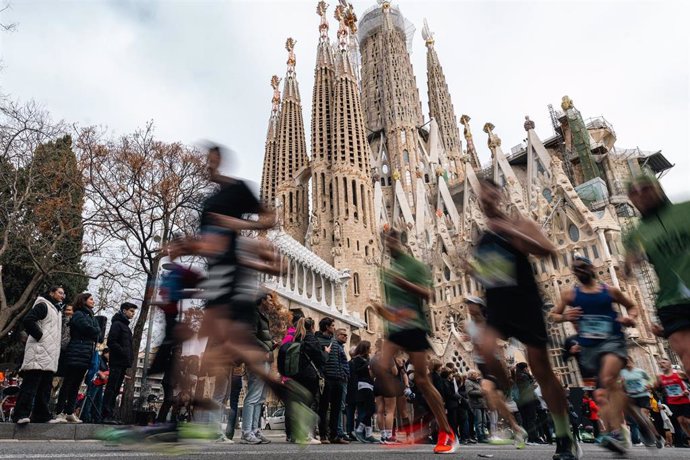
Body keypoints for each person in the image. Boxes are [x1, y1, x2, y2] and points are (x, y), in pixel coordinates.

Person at [468, 178, 580, 460]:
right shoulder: (481, 239)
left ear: (500, 195)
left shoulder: (520, 224)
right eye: (481, 195)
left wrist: (511, 233)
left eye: (490, 192)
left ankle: (565, 436)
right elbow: (489, 275)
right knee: (484, 347)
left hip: (525, 302)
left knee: (541, 369)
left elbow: (548, 250)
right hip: (497, 306)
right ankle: (518, 394)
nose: (486, 198)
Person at [372, 228, 458, 454]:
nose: (389, 244)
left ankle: (445, 430)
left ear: (400, 242)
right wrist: (383, 312)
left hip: (415, 327)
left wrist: (404, 283)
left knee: (422, 380)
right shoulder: (387, 272)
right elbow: (393, 308)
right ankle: (413, 420)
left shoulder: (414, 266)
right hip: (395, 329)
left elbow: (427, 294)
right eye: (386, 241)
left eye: (392, 240)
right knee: (381, 368)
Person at [624, 173, 690, 373]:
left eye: (645, 188)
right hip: (672, 302)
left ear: (658, 188)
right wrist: (629, 264)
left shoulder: (685, 210)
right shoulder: (634, 235)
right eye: (633, 193)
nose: (640, 195)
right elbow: (626, 272)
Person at [463, 295, 527, 447]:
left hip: (493, 363)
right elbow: (473, 343)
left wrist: (506, 371)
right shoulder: (467, 325)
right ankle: (516, 428)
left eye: (472, 304)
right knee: (497, 399)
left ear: (480, 307)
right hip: (481, 365)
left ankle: (498, 429)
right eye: (468, 305)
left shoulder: (490, 324)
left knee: (488, 391)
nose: (470, 307)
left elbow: (499, 347)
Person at [13, 286, 65, 424]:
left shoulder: (57, 310)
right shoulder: (43, 305)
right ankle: (20, 414)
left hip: (50, 354)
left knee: (45, 387)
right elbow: (28, 320)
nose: (62, 295)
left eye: (63, 293)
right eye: (60, 292)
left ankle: (41, 415)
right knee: (30, 385)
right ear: (51, 292)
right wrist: (39, 335)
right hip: (39, 351)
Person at [54, 292, 101, 423]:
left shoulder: (90, 315)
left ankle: (70, 412)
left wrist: (95, 330)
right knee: (68, 383)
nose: (93, 301)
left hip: (85, 354)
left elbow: (98, 331)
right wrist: (95, 330)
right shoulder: (79, 314)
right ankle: (60, 412)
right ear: (84, 300)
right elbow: (90, 329)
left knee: (76, 385)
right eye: (91, 299)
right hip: (75, 352)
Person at [239, 295, 275, 444]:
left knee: (260, 398)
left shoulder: (262, 316)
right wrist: (266, 347)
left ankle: (255, 430)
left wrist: (271, 344)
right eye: (269, 300)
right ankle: (246, 432)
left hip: (264, 359)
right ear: (262, 300)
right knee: (253, 396)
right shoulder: (253, 314)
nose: (271, 303)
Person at [292, 317, 326, 444]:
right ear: (312, 327)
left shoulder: (297, 337)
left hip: (297, 375)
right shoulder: (311, 338)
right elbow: (321, 359)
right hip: (310, 375)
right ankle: (305, 435)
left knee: (300, 404)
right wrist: (326, 353)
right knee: (309, 404)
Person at [315, 317, 349, 444]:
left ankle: (334, 436)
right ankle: (323, 435)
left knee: (336, 408)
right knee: (323, 408)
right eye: (333, 326)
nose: (334, 328)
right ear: (327, 327)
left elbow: (341, 360)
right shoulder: (317, 340)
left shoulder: (335, 342)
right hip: (326, 378)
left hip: (338, 379)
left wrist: (344, 375)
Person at [102, 302, 137, 424]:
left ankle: (111, 414)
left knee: (116, 389)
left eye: (134, 311)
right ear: (124, 310)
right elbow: (111, 342)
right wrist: (123, 353)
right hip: (117, 361)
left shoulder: (126, 327)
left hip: (123, 362)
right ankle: (105, 415)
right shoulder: (117, 324)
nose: (133, 314)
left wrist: (129, 357)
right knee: (111, 388)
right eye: (131, 311)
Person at [657, 358, 690, 439]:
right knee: (681, 421)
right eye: (660, 363)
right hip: (672, 401)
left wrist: (688, 390)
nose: (661, 364)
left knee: (687, 421)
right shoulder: (660, 377)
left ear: (669, 364)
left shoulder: (679, 373)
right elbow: (658, 389)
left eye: (664, 362)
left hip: (684, 399)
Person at [351, 340, 377, 443]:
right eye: (369, 347)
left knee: (369, 409)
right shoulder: (357, 359)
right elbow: (357, 371)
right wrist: (368, 365)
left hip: (370, 384)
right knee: (371, 409)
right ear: (365, 348)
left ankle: (369, 434)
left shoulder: (367, 359)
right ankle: (359, 429)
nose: (371, 349)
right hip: (363, 385)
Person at [81, 348, 109, 423]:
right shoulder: (99, 359)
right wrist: (101, 373)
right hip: (95, 382)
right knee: (90, 400)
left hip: (100, 384)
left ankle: (96, 418)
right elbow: (95, 368)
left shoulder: (105, 362)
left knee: (98, 401)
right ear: (105, 353)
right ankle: (86, 417)